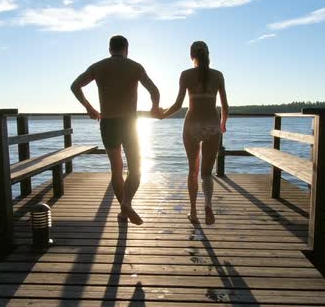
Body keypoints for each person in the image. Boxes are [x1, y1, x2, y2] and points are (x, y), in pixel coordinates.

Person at [70, 35, 161, 225]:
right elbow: (154, 90)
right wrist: (154, 108)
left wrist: (89, 107)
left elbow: (75, 86)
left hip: (108, 123)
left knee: (116, 168)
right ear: (126, 48)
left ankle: (123, 211)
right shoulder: (135, 67)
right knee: (135, 169)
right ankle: (126, 204)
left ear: (110, 49)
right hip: (129, 123)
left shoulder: (99, 66)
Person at [159, 41, 228, 225]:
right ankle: (208, 205)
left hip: (192, 124)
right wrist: (223, 123)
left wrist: (162, 115)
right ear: (208, 54)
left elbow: (178, 105)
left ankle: (193, 213)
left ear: (191, 56)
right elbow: (225, 106)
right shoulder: (218, 75)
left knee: (192, 171)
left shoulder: (186, 75)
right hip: (213, 124)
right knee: (206, 174)